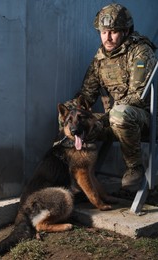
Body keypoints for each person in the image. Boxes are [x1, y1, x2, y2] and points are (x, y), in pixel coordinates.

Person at [59, 3, 157, 191]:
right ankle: (74, 172)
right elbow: (86, 96)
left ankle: (134, 168)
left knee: (119, 114)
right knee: (68, 114)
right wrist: (70, 111)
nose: (108, 37)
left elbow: (138, 96)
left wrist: (106, 117)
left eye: (113, 32)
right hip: (111, 117)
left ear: (126, 30)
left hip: (141, 118)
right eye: (104, 32)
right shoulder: (101, 58)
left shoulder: (140, 52)